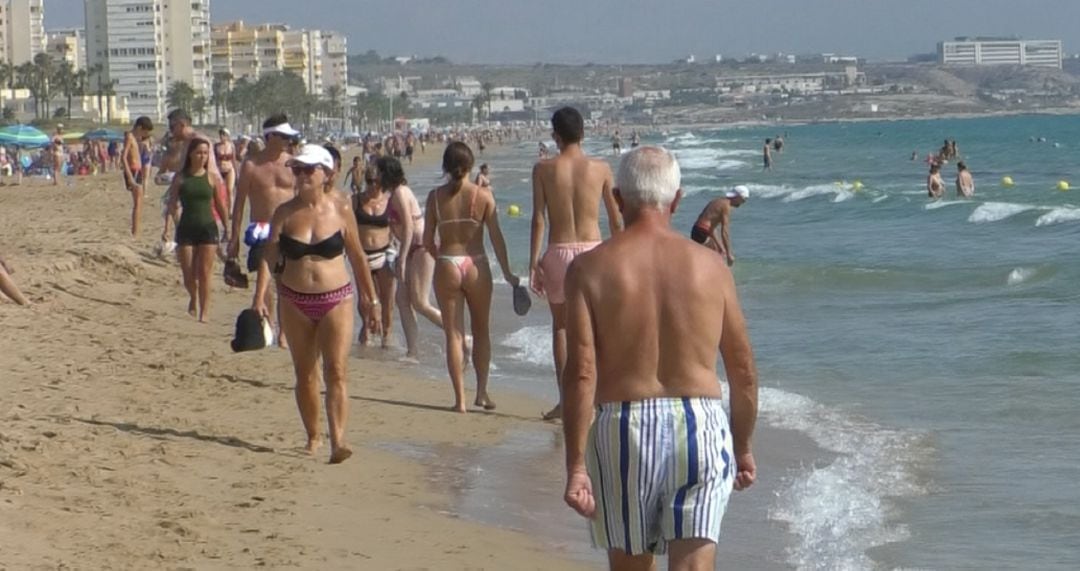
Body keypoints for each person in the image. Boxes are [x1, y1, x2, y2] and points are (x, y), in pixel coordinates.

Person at [561, 146, 758, 570]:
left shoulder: (589, 269)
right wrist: (742, 445)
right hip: (701, 425)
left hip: (623, 428)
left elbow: (580, 373)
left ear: (616, 199)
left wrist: (576, 464)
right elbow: (742, 371)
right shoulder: (711, 267)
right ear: (677, 199)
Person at [252, 144, 381, 464]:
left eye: (309, 169)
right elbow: (269, 257)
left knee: (336, 369)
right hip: (294, 301)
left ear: (327, 173)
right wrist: (259, 297)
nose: (302, 174)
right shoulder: (284, 212)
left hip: (336, 298)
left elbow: (356, 255)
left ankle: (339, 440)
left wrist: (371, 299)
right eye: (297, 169)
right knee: (306, 372)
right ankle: (313, 436)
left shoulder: (342, 208)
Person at [530, 106, 622, 421]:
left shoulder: (543, 169)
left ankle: (565, 401)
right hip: (593, 251)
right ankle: (598, 397)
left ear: (555, 135)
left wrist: (533, 262)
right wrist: (621, 254)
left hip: (557, 250)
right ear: (583, 133)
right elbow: (614, 218)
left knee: (561, 328)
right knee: (596, 329)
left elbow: (538, 219)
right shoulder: (601, 168)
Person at [423, 142, 521, 413]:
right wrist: (508, 273)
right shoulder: (483, 196)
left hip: (447, 263)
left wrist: (440, 259)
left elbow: (427, 240)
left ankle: (460, 401)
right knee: (481, 331)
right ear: (470, 165)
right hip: (476, 263)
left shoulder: (434, 198)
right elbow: (497, 239)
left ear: (445, 166)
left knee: (453, 334)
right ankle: (481, 392)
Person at [227, 114, 300, 346]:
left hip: (289, 229)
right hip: (262, 228)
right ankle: (268, 325)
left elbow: (302, 198)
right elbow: (239, 203)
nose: (289, 140)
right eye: (283, 136)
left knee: (286, 283)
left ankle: (284, 332)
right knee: (264, 281)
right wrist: (234, 237)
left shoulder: (293, 164)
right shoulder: (251, 165)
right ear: (270, 137)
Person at [381, 155, 445, 360]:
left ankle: (461, 337)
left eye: (378, 170)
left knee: (419, 302)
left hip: (419, 248)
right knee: (402, 299)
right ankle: (413, 351)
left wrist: (401, 257)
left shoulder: (400, 193)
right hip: (410, 249)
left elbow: (408, 227)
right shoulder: (394, 194)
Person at [162, 137, 229, 322]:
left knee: (205, 273)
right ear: (191, 154)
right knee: (188, 272)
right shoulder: (181, 178)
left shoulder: (212, 178)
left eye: (206, 153)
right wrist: (167, 227)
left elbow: (220, 205)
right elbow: (172, 203)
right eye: (199, 152)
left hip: (208, 228)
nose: (202, 156)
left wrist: (227, 228)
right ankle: (193, 297)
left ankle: (204, 312)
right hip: (186, 228)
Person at [353, 165, 396, 347]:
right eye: (369, 181)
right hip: (362, 255)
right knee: (365, 299)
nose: (372, 186)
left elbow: (398, 225)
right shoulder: (356, 201)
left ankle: (386, 333)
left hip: (384, 254)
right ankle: (366, 328)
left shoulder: (390, 201)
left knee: (387, 298)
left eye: (376, 182)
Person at [690, 185, 749, 266]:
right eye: (743, 200)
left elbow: (711, 228)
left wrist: (720, 246)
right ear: (737, 197)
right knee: (715, 258)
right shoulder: (726, 206)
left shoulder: (717, 201)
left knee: (715, 254)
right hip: (702, 232)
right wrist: (729, 254)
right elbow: (725, 232)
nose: (743, 202)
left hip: (697, 230)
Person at [121, 116, 154, 236]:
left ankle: (136, 230)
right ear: (140, 127)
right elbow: (123, 157)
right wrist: (129, 176)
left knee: (139, 203)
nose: (145, 134)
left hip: (137, 170)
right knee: (138, 203)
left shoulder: (135, 138)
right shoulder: (129, 137)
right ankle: (135, 232)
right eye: (145, 131)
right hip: (133, 171)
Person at [216, 128, 238, 209]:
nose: (222, 137)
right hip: (219, 170)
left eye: (223, 135)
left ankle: (230, 210)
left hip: (229, 169)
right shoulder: (216, 146)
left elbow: (234, 160)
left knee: (229, 190)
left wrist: (236, 172)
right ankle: (221, 208)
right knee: (219, 191)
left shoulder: (231, 146)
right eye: (221, 135)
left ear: (227, 136)